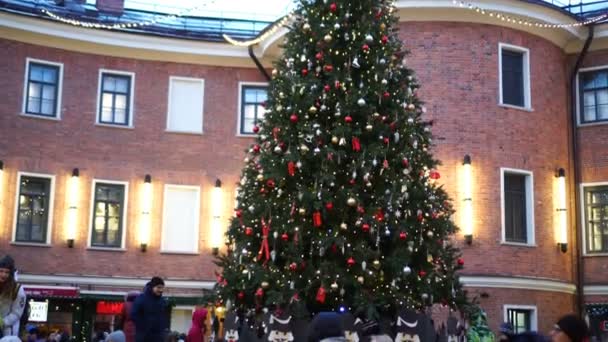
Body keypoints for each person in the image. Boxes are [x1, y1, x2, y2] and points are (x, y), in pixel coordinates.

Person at [131, 277, 168, 342]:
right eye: (158, 287)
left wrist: (162, 331)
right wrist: (144, 327)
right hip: (144, 337)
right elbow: (134, 315)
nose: (161, 290)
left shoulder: (162, 301)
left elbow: (163, 317)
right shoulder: (141, 299)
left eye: (162, 288)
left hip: (158, 337)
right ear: (152, 287)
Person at [0, 255, 26, 337]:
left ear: (11, 273)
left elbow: (17, 313)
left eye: (7, 272)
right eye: (1, 271)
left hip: (7, 330)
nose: (3, 275)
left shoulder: (17, 289)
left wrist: (3, 322)